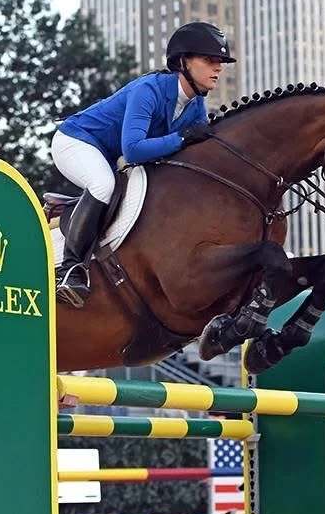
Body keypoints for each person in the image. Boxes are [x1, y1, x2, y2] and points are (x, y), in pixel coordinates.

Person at [51, 21, 236, 307]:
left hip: (109, 156)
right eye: (210, 60)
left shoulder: (196, 105)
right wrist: (181, 137)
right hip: (76, 142)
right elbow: (134, 150)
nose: (219, 68)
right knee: (103, 184)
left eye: (221, 62)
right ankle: (70, 270)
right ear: (185, 61)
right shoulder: (149, 89)